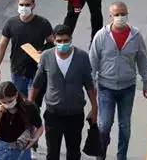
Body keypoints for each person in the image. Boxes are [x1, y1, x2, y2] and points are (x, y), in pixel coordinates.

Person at [89, 1, 147, 160]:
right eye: (116, 15)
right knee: (104, 126)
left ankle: (121, 156)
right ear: (110, 16)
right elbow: (93, 61)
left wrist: (146, 82)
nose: (120, 17)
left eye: (123, 14)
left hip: (127, 88)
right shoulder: (101, 36)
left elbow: (142, 60)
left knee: (125, 126)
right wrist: (92, 87)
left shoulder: (136, 36)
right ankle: (101, 155)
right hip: (106, 88)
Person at [29, 24, 98, 160]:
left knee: (74, 153)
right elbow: (37, 83)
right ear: (54, 40)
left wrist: (95, 108)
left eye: (66, 40)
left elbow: (89, 84)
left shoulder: (82, 57)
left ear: (71, 39)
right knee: (52, 153)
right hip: (53, 115)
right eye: (59, 41)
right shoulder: (46, 57)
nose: (62, 44)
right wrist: (30, 104)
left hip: (75, 114)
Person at [0, 0, 54, 98]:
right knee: (20, 103)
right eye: (21, 5)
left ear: (33, 5)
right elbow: (2, 45)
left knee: (32, 105)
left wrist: (43, 50)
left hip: (36, 72)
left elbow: (52, 42)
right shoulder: (11, 23)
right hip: (17, 72)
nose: (24, 7)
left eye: (27, 5)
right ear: (18, 4)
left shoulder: (43, 23)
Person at [0, 81, 44, 160]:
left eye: (10, 101)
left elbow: (40, 126)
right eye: (4, 102)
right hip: (2, 148)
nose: (8, 104)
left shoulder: (28, 107)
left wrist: (34, 139)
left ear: (16, 95)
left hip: (22, 148)